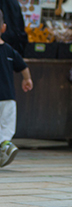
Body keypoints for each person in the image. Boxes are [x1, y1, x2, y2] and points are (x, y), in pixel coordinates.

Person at [1, 11, 34, 167]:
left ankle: (4, 148)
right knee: (6, 124)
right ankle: (5, 145)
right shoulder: (9, 50)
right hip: (8, 97)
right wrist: (27, 79)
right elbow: (23, 66)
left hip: (7, 97)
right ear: (3, 28)